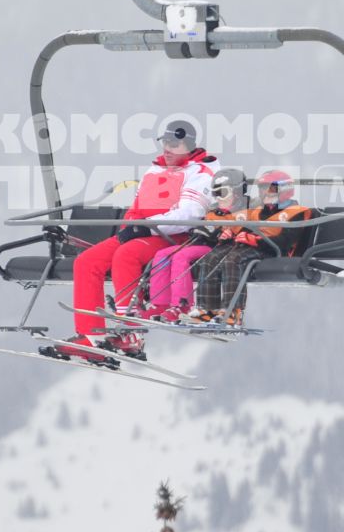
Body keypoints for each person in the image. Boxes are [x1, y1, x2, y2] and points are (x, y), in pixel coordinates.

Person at [44, 120, 217, 363]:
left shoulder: (199, 173)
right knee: (86, 262)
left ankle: (129, 331)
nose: (167, 149)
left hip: (174, 237)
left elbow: (189, 214)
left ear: (188, 145)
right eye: (165, 143)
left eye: (174, 144)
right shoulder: (155, 171)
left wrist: (144, 228)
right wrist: (130, 227)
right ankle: (90, 335)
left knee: (126, 256)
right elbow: (137, 207)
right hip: (143, 233)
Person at [191, 168, 314, 327]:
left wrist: (256, 240)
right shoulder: (257, 211)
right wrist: (229, 233)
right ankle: (207, 308)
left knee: (233, 260)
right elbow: (244, 229)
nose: (265, 192)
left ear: (285, 189)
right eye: (262, 188)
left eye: (271, 188)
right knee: (210, 259)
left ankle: (233, 311)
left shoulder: (295, 212)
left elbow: (285, 241)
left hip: (272, 251)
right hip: (251, 247)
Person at [144, 167, 247, 323]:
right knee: (163, 255)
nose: (218, 198)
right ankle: (160, 303)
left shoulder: (243, 211)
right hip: (202, 244)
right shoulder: (214, 212)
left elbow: (240, 231)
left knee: (181, 256)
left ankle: (182, 305)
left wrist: (219, 232)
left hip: (218, 248)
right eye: (215, 193)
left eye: (222, 193)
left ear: (237, 192)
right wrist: (200, 229)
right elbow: (204, 226)